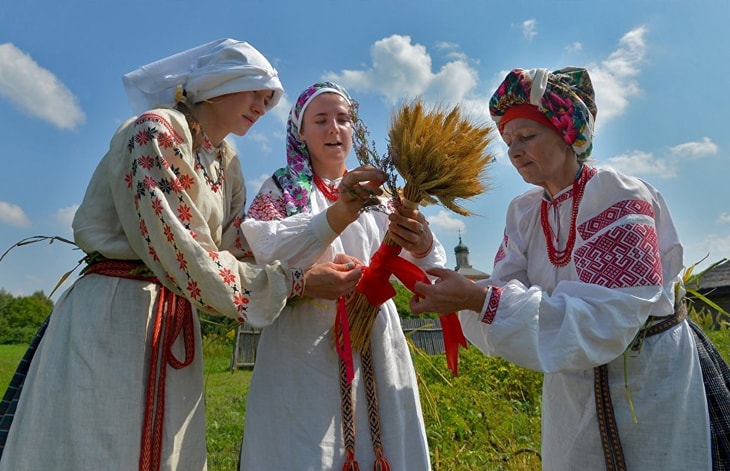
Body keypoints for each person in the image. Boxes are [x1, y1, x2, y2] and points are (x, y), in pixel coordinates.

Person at [0, 40, 379, 471]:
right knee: (102, 444)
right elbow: (185, 254)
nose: (263, 105)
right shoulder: (154, 133)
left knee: (170, 454)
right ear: (218, 84)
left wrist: (336, 217)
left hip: (172, 322)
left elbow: (238, 249)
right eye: (255, 90)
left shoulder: (225, 160)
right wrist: (299, 282)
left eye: (269, 98)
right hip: (115, 316)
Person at [410, 67, 713, 469]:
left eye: (527, 136)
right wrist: (429, 253)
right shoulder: (524, 211)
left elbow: (611, 317)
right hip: (572, 383)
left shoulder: (619, 196)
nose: (514, 150)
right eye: (508, 140)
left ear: (568, 134)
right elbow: (502, 292)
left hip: (647, 380)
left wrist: (481, 299)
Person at [238, 81, 445, 470]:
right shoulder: (282, 189)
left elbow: (423, 273)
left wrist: (421, 241)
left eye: (344, 119)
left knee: (382, 437)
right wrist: (308, 272)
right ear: (300, 131)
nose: (334, 127)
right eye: (321, 120)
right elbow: (261, 252)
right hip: (302, 342)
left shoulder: (380, 196)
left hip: (376, 338)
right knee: (306, 445)